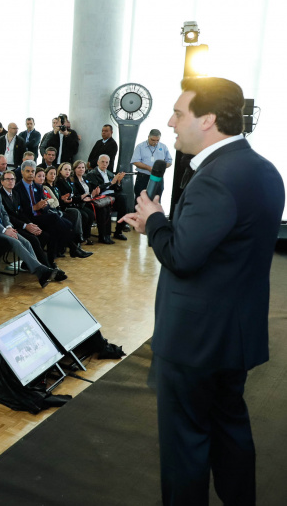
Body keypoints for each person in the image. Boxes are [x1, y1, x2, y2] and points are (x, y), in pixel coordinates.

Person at [118, 77, 284, 504]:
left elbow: (183, 257)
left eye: (178, 113)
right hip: (235, 333)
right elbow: (221, 245)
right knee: (230, 430)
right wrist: (159, 225)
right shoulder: (263, 169)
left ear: (208, 119)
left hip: (195, 340)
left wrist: (154, 219)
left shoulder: (214, 177)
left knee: (185, 446)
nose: (170, 122)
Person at [0, 169, 59, 287]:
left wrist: (8, 226)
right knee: (16, 242)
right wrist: (5, 230)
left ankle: (41, 273)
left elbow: (3, 214)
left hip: (3, 227)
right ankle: (41, 271)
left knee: (26, 242)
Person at [86, 154, 129, 240]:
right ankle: (105, 235)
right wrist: (111, 183)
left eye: (106, 162)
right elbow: (96, 188)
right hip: (101, 197)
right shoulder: (92, 174)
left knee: (123, 200)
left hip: (112, 196)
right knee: (119, 199)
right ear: (98, 162)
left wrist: (119, 182)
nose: (104, 164)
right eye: (102, 162)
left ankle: (118, 231)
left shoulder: (109, 173)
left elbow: (118, 189)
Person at [131, 128, 173, 196]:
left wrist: (160, 168)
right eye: (153, 140)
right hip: (143, 177)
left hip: (158, 177)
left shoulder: (163, 147)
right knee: (140, 198)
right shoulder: (140, 147)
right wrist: (148, 168)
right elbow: (135, 161)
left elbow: (169, 161)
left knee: (156, 198)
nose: (155, 142)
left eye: (157, 140)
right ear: (148, 137)